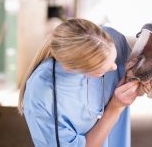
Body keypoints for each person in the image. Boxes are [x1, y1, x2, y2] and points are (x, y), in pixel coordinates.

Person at [18, 18, 139, 147]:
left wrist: (141, 82)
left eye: (114, 59)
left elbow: (141, 77)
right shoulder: (43, 93)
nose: (115, 68)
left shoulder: (113, 39)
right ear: (74, 69)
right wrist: (115, 107)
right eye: (100, 72)